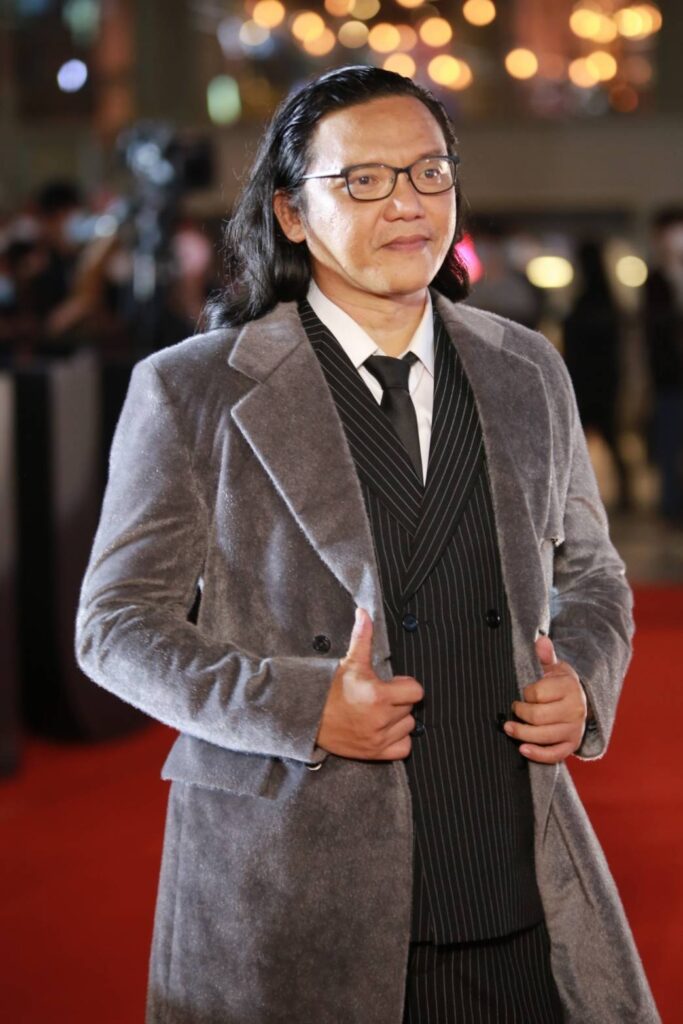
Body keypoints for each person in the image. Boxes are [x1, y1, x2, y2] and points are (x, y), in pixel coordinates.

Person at [75, 66, 659, 1023]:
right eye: (363, 180)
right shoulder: (192, 390)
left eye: (430, 171)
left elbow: (589, 574)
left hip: (514, 879)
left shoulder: (525, 368)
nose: (407, 203)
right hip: (299, 889)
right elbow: (113, 627)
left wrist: (584, 684)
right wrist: (300, 708)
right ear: (290, 213)